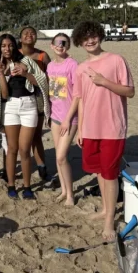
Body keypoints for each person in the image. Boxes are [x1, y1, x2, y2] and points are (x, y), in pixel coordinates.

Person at [72, 21, 135, 241]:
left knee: (110, 174)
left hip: (112, 128)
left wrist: (104, 81)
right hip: (91, 128)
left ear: (100, 36)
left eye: (93, 36)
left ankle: (109, 221)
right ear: (79, 42)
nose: (90, 41)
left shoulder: (116, 60)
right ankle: (106, 209)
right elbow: (81, 100)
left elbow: (130, 91)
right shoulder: (81, 68)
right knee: (99, 171)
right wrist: (80, 129)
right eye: (85, 38)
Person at [0, 34, 50, 199]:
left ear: (15, 46)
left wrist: (25, 73)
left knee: (24, 149)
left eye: (10, 45)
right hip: (10, 106)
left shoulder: (26, 61)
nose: (7, 49)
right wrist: (2, 73)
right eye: (3, 46)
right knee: (12, 149)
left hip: (29, 105)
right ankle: (11, 185)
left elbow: (41, 81)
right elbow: (3, 94)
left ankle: (27, 187)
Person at [47, 33, 79, 206]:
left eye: (64, 43)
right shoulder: (50, 66)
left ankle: (70, 195)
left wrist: (68, 119)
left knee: (61, 157)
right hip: (55, 116)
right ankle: (64, 191)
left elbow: (77, 96)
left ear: (68, 46)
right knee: (58, 156)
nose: (61, 45)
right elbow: (55, 93)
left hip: (69, 118)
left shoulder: (72, 65)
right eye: (58, 43)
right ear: (52, 45)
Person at [18, 26, 51, 179]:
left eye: (32, 33)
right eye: (26, 33)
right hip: (17, 96)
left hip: (38, 96)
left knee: (36, 135)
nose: (29, 35)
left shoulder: (43, 56)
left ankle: (41, 166)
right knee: (15, 136)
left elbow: (50, 79)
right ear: (20, 38)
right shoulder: (14, 54)